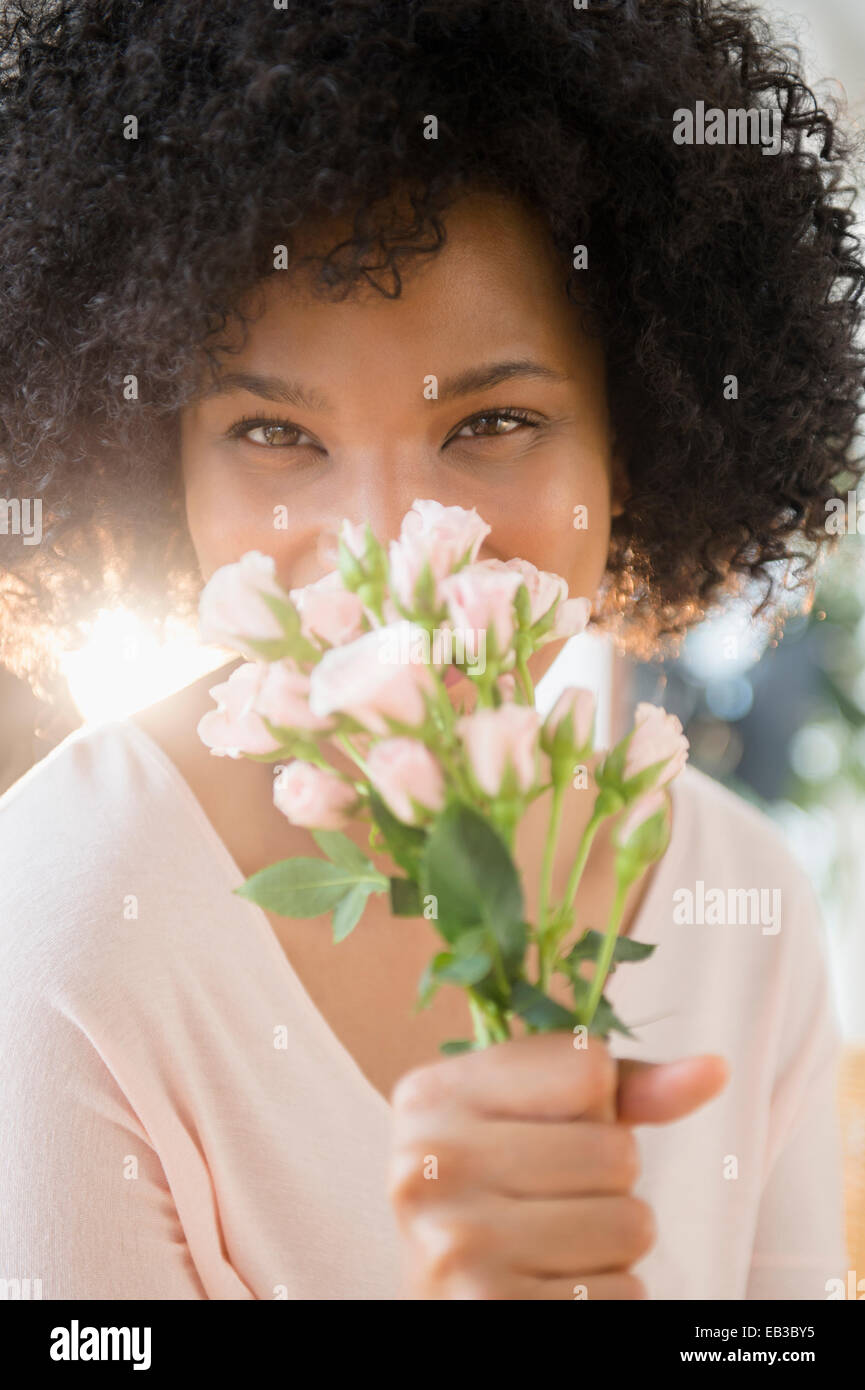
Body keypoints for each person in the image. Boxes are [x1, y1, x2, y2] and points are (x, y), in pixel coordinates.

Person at [0, 0, 860, 1301]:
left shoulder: (744, 903)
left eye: (493, 420)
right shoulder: (63, 917)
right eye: (275, 435)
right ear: (156, 464)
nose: (392, 549)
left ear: (630, 446)